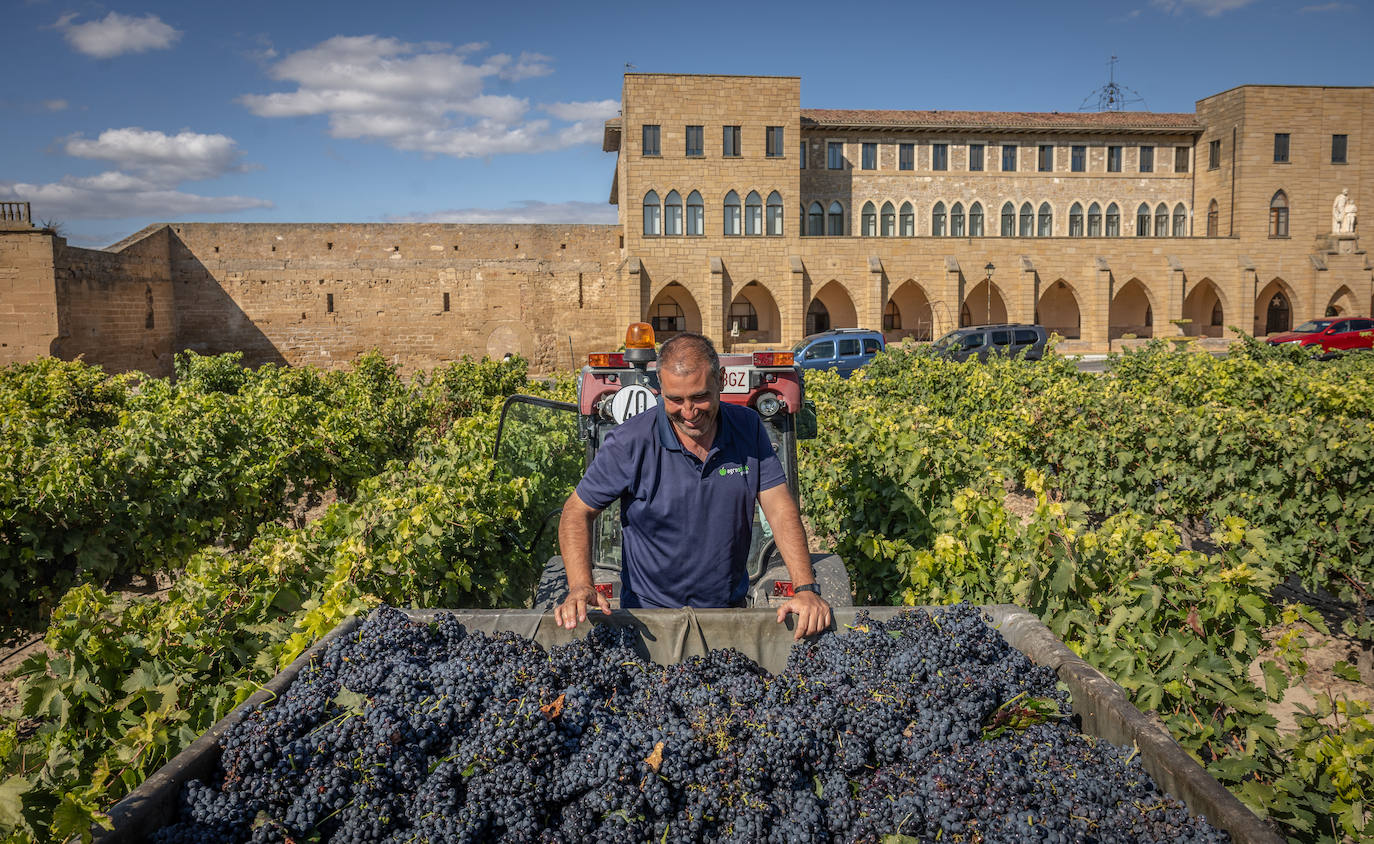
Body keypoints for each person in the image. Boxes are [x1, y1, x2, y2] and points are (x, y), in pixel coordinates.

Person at [553, 332, 833, 639]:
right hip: (650, 624)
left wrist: (805, 588)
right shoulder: (630, 442)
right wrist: (581, 585)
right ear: (660, 389)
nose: (688, 411)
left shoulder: (748, 428)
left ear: (720, 381)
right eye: (675, 400)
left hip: (726, 616)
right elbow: (576, 512)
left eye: (699, 397)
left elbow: (779, 508)